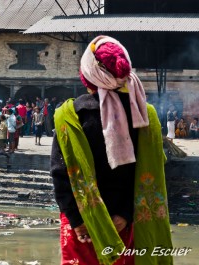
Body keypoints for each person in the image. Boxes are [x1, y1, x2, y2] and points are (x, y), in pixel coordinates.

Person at [51, 36, 173, 265]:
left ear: (88, 73)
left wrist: (77, 222)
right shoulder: (144, 114)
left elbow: (61, 174)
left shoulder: (70, 115)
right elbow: (152, 174)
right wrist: (125, 214)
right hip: (127, 221)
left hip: (84, 226)